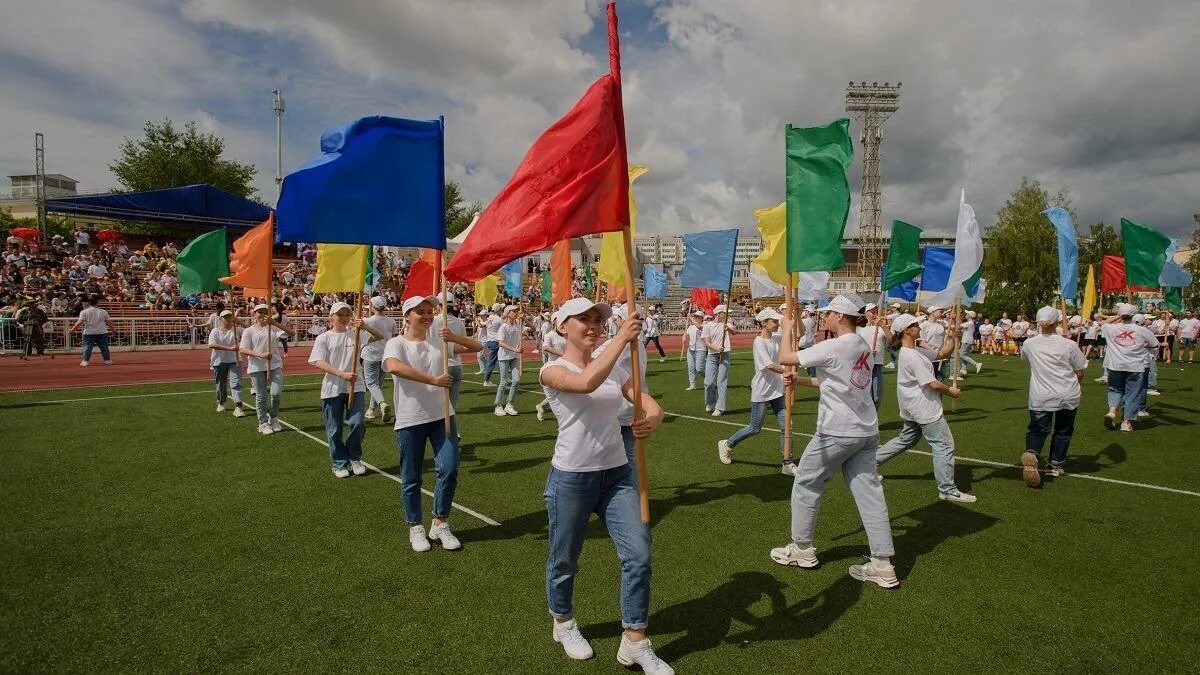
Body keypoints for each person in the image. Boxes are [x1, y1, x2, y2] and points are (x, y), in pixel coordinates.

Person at [538, 298, 671, 672]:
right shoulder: (552, 370)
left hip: (617, 473)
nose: (594, 325)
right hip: (572, 477)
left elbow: (641, 398)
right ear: (563, 326)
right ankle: (563, 621)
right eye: (584, 319)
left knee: (639, 555)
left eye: (598, 319)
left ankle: (635, 639)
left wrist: (655, 414)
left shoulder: (611, 368)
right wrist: (620, 339)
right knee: (565, 558)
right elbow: (584, 382)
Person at [769, 295, 898, 589]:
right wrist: (799, 381)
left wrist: (789, 328)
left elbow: (786, 358)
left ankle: (801, 549)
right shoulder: (862, 343)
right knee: (870, 495)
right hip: (866, 431)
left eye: (828, 313)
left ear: (840, 316)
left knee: (806, 483)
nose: (825, 317)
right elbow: (838, 380)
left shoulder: (836, 344)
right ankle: (882, 564)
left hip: (837, 431)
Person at [383, 295, 461, 552]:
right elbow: (393, 366)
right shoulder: (396, 344)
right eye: (420, 312)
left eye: (430, 311)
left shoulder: (438, 340)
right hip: (411, 418)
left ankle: (439, 523)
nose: (427, 315)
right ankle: (415, 527)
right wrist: (432, 379)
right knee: (412, 475)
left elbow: (478, 346)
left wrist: (453, 336)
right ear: (407, 316)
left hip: (443, 415)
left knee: (449, 468)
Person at [875, 313, 976, 503]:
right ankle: (947, 489)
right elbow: (933, 384)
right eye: (916, 325)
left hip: (913, 407)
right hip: (923, 408)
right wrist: (951, 392)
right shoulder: (912, 356)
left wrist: (955, 337)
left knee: (906, 439)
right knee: (944, 444)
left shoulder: (914, 351)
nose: (919, 328)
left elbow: (943, 353)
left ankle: (870, 463)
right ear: (907, 330)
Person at [309, 302, 385, 478]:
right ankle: (339, 463)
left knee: (357, 423)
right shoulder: (324, 338)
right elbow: (318, 361)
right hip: (332, 388)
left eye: (346, 315)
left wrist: (365, 325)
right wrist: (341, 374)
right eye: (339, 315)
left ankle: (354, 458)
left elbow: (380, 336)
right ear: (331, 318)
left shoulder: (357, 334)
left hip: (356, 386)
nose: (343, 318)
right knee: (334, 428)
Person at [717, 308, 797, 473]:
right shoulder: (758, 342)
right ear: (763, 323)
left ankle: (787, 462)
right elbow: (768, 365)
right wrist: (786, 371)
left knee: (787, 426)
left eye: (777, 321)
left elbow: (797, 334)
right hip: (762, 390)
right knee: (755, 428)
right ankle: (727, 443)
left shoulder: (777, 337)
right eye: (774, 321)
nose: (777, 324)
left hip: (777, 390)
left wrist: (798, 315)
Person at [1019, 306, 1088, 487]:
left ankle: (1032, 453)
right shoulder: (1069, 345)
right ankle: (1055, 464)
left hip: (1040, 394)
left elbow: (1025, 359)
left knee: (1037, 429)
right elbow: (1080, 370)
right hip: (1067, 393)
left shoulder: (1029, 343)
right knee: (1063, 430)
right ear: (1057, 322)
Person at [592, 304, 649, 465]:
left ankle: (628, 488)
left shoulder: (620, 344)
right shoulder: (638, 344)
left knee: (618, 458)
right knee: (626, 456)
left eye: (619, 318)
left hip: (618, 408)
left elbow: (591, 364)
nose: (615, 320)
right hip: (633, 406)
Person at [1096, 303, 1158, 432]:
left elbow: (1103, 323)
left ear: (1120, 315)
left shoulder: (1110, 328)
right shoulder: (1142, 330)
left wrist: (1117, 316)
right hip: (1136, 366)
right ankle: (1126, 422)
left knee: (1115, 389)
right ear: (1133, 315)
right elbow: (1154, 344)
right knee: (1133, 393)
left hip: (1116, 365)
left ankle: (1112, 411)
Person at [239, 303, 294, 435]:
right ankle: (263, 423)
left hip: (274, 364)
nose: (263, 314)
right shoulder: (249, 331)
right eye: (260, 312)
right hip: (256, 366)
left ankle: (273, 417)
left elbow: (291, 333)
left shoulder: (273, 328)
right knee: (261, 395)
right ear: (254, 314)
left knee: (276, 393)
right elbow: (243, 349)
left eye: (265, 311)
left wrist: (275, 323)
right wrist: (260, 355)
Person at [430, 293, 482, 413]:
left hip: (440, 364)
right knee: (451, 405)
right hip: (456, 364)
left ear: (439, 305)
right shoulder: (458, 322)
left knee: (437, 404)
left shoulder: (433, 322)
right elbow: (464, 342)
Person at [362, 296, 397, 423]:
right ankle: (371, 409)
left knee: (372, 384)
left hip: (371, 355)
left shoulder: (367, 320)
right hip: (385, 355)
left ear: (373, 306)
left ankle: (381, 404)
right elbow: (393, 338)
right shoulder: (391, 321)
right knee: (377, 385)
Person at [206, 309, 247, 418]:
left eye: (230, 317)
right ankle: (221, 401)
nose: (228, 319)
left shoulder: (236, 329)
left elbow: (249, 330)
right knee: (221, 383)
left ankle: (238, 406)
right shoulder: (215, 331)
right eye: (226, 317)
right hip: (219, 361)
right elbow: (211, 345)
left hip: (235, 360)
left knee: (236, 383)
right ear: (221, 319)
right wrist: (229, 348)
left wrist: (238, 320)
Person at [855, 303, 891, 410]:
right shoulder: (859, 329)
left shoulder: (881, 329)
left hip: (877, 365)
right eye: (872, 311)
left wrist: (883, 326)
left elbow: (893, 341)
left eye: (876, 311)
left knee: (876, 397)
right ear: (866, 313)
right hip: (863, 365)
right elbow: (854, 347)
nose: (875, 314)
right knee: (864, 396)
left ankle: (872, 419)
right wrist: (867, 353)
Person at [703, 304, 733, 416]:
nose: (728, 315)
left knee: (722, 382)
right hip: (712, 355)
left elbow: (735, 331)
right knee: (709, 382)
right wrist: (716, 348)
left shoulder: (727, 324)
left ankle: (720, 408)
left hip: (724, 355)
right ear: (719, 314)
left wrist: (728, 328)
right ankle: (711, 402)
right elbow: (706, 342)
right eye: (726, 313)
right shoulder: (708, 325)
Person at [493, 305, 523, 416]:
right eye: (513, 311)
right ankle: (498, 405)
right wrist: (515, 349)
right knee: (504, 381)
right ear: (508, 313)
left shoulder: (517, 326)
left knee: (516, 380)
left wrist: (523, 319)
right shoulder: (503, 327)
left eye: (516, 311)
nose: (516, 313)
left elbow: (533, 328)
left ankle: (509, 404)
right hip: (504, 356)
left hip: (514, 356)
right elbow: (500, 343)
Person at [535, 320, 567, 421]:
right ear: (554, 323)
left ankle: (542, 406)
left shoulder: (566, 334)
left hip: (566, 365)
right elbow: (545, 348)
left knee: (562, 392)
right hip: (554, 366)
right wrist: (561, 354)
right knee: (561, 392)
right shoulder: (549, 335)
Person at [71, 295, 114, 366]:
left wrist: (73, 330)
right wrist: (113, 330)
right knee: (104, 347)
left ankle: (85, 361)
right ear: (97, 302)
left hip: (89, 332)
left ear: (88, 303)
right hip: (102, 332)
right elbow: (109, 322)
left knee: (88, 347)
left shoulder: (84, 312)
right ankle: (107, 360)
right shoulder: (103, 312)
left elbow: (79, 322)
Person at [919, 306, 948, 379]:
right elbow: (922, 342)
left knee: (940, 378)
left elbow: (954, 326)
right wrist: (934, 352)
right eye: (940, 311)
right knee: (929, 379)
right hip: (929, 357)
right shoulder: (924, 325)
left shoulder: (942, 323)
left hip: (941, 357)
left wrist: (953, 318)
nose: (942, 313)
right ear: (932, 312)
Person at [481, 304, 504, 386]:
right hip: (496, 341)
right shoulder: (499, 319)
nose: (502, 309)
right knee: (493, 361)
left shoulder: (490, 318)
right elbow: (504, 328)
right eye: (501, 308)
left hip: (489, 340)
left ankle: (503, 377)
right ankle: (486, 380)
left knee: (494, 360)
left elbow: (483, 324)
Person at [684, 310, 706, 390]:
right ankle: (692, 385)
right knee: (691, 368)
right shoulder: (690, 327)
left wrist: (690, 318)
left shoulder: (705, 325)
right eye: (695, 316)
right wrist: (684, 337)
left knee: (699, 368)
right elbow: (686, 333)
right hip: (691, 349)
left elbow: (699, 327)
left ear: (701, 318)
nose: (695, 318)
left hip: (701, 349)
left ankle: (709, 378)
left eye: (697, 316)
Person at [958, 310, 983, 375]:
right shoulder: (970, 323)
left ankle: (976, 364)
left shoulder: (969, 323)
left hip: (966, 340)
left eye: (967, 314)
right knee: (964, 355)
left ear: (969, 316)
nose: (965, 315)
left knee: (962, 355)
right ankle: (963, 369)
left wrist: (958, 319)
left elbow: (959, 326)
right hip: (968, 340)